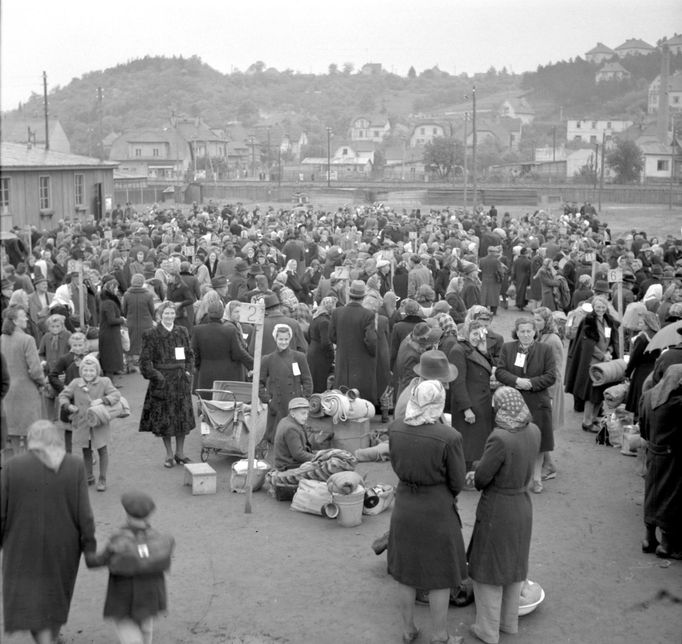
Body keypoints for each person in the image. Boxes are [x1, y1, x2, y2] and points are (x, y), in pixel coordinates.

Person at [1, 420, 97, 644]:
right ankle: (50, 636)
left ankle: (46, 638)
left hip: (22, 544)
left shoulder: (12, 466)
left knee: (30, 595)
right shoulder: (74, 465)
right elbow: (86, 514)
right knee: (56, 593)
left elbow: (1, 513)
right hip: (63, 545)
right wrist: (89, 546)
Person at [387, 379, 467, 644]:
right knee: (440, 576)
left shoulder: (395, 428)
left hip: (405, 505)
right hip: (436, 507)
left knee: (405, 572)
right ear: (439, 401)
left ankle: (408, 629)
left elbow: (396, 464)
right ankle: (440, 635)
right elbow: (457, 481)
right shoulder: (450, 437)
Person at [466, 387, 541, 644]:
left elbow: (483, 479)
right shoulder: (534, 430)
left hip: (498, 508)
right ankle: (509, 624)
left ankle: (487, 630)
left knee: (488, 569)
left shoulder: (500, 438)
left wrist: (475, 473)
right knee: (513, 567)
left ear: (499, 408)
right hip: (522, 505)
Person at [85, 490, 173, 644]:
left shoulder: (119, 538)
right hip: (150, 595)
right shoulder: (159, 539)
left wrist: (88, 547)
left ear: (127, 513)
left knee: (128, 632)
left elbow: (95, 562)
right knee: (146, 629)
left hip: (123, 596)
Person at [495, 317, 555, 494]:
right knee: (514, 441)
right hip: (514, 403)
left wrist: (531, 383)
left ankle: (536, 478)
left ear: (535, 332)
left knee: (539, 442)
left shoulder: (545, 349)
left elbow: (551, 375)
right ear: (517, 332)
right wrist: (516, 380)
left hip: (538, 401)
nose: (526, 334)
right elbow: (500, 371)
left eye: (529, 331)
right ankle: (516, 477)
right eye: (522, 331)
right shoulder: (508, 348)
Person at [138, 301, 195, 468]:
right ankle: (169, 454)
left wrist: (188, 372)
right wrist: (157, 377)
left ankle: (180, 453)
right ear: (159, 316)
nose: (169, 316)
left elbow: (189, 354)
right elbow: (145, 362)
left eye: (172, 313)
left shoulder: (182, 331)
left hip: (180, 381)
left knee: (181, 417)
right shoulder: (151, 334)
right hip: (162, 382)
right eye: (166, 314)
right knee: (165, 419)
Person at [58, 355, 121, 491]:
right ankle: (89, 477)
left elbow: (116, 395)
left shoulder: (104, 382)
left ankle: (102, 479)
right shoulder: (75, 383)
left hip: (99, 422)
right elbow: (63, 395)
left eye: (92, 370)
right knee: (86, 450)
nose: (88, 373)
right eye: (85, 370)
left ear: (97, 371)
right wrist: (68, 406)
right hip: (82, 422)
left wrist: (103, 400)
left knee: (102, 449)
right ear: (81, 371)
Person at [639, 364, 682, 559]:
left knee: (652, 493)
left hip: (653, 451)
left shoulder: (647, 396)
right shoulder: (677, 402)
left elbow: (643, 429)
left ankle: (648, 538)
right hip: (672, 455)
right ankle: (666, 544)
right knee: (670, 496)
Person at [564, 295, 619, 430]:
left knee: (601, 392)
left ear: (606, 307)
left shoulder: (609, 321)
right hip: (593, 363)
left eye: (603, 307)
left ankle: (594, 419)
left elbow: (612, 340)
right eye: (598, 307)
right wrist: (602, 356)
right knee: (591, 393)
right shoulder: (588, 321)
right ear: (593, 307)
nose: (600, 309)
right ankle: (586, 422)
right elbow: (588, 344)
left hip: (606, 360)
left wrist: (609, 352)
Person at [448, 319, 494, 471]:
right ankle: (464, 477)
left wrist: (484, 351)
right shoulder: (458, 350)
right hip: (470, 405)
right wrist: (467, 409)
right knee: (468, 445)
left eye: (480, 334)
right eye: (474, 333)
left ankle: (470, 474)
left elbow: (488, 367)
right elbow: (457, 382)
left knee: (476, 443)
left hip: (480, 403)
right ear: (467, 332)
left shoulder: (472, 348)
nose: (477, 337)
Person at [0, 305, 47, 457]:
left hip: (7, 394)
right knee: (30, 437)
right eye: (23, 316)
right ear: (14, 320)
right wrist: (42, 383)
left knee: (12, 437)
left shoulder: (1, 339)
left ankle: (14, 473)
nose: (26, 318)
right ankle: (28, 473)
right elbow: (35, 370)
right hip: (27, 393)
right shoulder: (27, 339)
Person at [259, 324, 313, 445]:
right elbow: (259, 383)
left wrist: (304, 399)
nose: (283, 342)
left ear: (290, 339)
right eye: (280, 339)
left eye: (286, 339)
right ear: (275, 339)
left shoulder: (299, 357)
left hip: (295, 404)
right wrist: (268, 400)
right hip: (277, 405)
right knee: (277, 441)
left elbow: (307, 380)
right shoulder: (268, 359)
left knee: (296, 440)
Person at [191, 300, 253, 398]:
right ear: (222, 313)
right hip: (227, 376)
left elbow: (194, 353)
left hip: (205, 374)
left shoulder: (198, 330)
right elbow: (238, 353)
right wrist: (253, 365)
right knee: (225, 408)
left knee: (206, 407)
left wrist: (199, 366)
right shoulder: (230, 330)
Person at [329, 280, 378, 402]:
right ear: (363, 297)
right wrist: (372, 353)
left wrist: (342, 343)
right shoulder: (368, 315)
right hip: (362, 359)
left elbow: (332, 336)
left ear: (349, 295)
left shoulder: (337, 312)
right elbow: (371, 339)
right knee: (359, 398)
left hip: (343, 357)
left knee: (342, 393)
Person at [533, 307, 565, 480]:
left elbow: (557, 370)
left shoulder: (552, 340)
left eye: (538, 320)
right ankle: (545, 464)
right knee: (540, 428)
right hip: (540, 388)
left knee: (543, 429)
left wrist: (550, 396)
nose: (535, 322)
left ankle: (549, 466)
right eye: (534, 319)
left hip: (548, 390)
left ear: (546, 321)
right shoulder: (540, 336)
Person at [624, 311, 660, 421]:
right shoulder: (658, 335)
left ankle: (638, 424)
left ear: (647, 324)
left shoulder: (642, 338)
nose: (639, 324)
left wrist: (627, 373)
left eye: (641, 323)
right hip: (653, 369)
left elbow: (634, 358)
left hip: (641, 372)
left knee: (638, 399)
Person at [122, 273, 156, 370]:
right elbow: (152, 310)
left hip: (131, 321)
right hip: (146, 322)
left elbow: (124, 309)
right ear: (142, 282)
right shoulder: (148, 295)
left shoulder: (127, 294)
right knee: (146, 342)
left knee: (131, 342)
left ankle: (130, 364)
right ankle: (146, 363)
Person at [273, 397, 315, 471]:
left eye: (307, 413)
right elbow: (298, 455)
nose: (306, 416)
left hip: (286, 462)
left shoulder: (285, 420)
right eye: (303, 413)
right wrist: (318, 458)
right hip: (288, 465)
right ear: (292, 413)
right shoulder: (291, 428)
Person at [307, 296, 336, 393]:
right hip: (320, 356)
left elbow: (308, 335)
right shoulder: (325, 321)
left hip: (313, 352)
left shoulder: (315, 318)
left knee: (314, 381)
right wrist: (332, 355)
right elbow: (326, 342)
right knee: (320, 384)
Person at [99, 277, 125, 379]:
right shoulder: (109, 303)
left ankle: (111, 382)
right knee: (110, 358)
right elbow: (111, 320)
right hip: (109, 334)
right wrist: (122, 320)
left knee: (111, 358)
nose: (117, 290)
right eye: (116, 288)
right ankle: (109, 383)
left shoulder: (107, 301)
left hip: (110, 333)